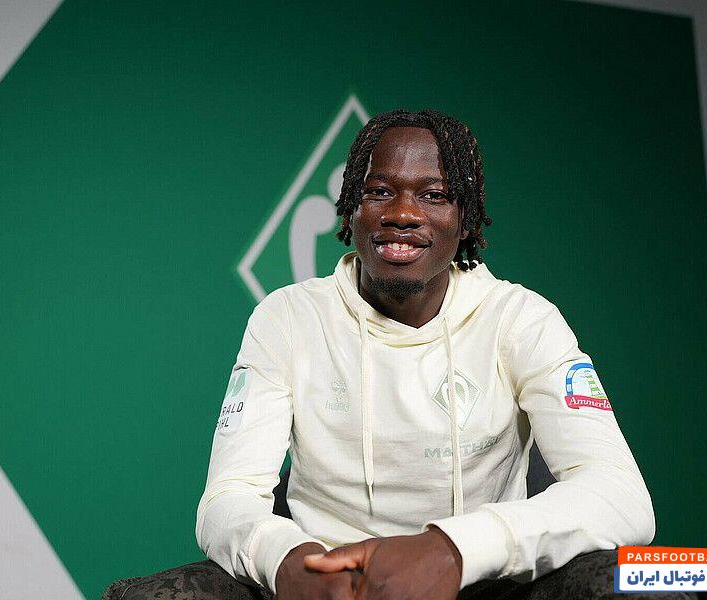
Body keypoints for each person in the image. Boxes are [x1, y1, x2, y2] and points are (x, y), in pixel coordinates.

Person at [105, 110, 662, 600]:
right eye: (378, 192)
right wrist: (288, 562)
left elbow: (622, 498)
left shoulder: (521, 320)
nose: (402, 213)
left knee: (642, 580)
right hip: (325, 583)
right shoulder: (287, 319)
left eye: (433, 195)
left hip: (481, 581)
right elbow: (228, 499)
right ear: (350, 209)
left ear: (466, 219)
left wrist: (452, 550)